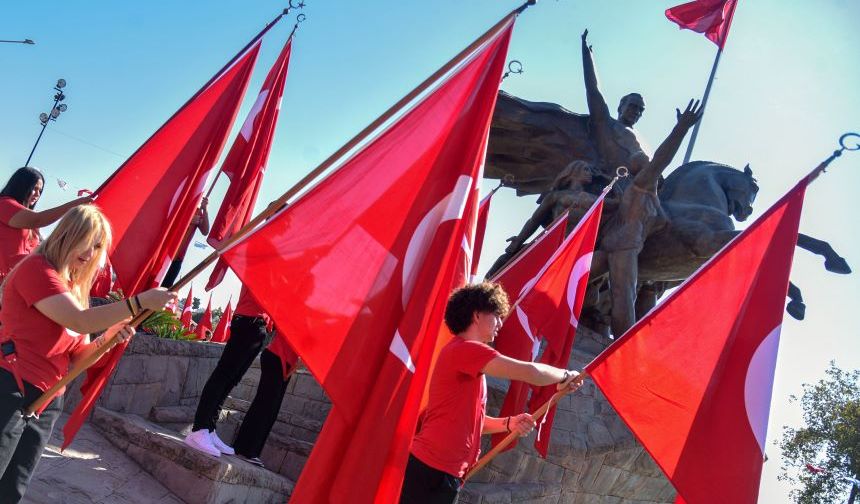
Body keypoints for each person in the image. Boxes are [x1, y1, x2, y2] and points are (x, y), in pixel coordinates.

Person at [0, 205, 175, 502]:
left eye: (98, 246)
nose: (92, 252)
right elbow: (78, 321)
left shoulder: (74, 289)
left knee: (12, 490)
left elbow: (77, 357)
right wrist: (138, 303)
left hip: (46, 401)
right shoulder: (37, 270)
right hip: (10, 390)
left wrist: (105, 339)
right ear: (69, 234)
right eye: (88, 241)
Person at [400, 282, 584, 504]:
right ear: (477, 316)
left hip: (443, 474)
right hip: (430, 472)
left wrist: (509, 424)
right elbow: (529, 371)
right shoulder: (465, 350)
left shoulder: (468, 358)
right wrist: (565, 375)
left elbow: (472, 421)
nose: (500, 323)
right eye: (496, 315)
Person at [595, 99, 703, 336]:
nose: (649, 163)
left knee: (606, 283)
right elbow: (661, 160)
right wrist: (681, 129)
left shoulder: (653, 199)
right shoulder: (642, 184)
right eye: (643, 161)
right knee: (624, 294)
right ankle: (622, 350)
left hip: (622, 245)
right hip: (623, 245)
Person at [185, 286, 296, 467]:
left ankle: (210, 428)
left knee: (230, 381)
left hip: (258, 323)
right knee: (222, 377)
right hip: (249, 320)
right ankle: (199, 429)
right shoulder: (266, 261)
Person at [0, 167, 92, 282]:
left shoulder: (28, 219)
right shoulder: (4, 204)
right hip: (6, 281)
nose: (37, 194)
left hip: (22, 276)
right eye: (34, 188)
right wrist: (76, 204)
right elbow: (39, 219)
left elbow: (37, 249)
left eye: (40, 190)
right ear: (21, 186)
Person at [580, 29, 651, 178]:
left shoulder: (642, 141)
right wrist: (587, 55)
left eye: (641, 110)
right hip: (610, 183)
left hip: (638, 189)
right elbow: (593, 90)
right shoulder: (606, 123)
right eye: (633, 106)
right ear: (620, 107)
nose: (637, 112)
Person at [161, 198, 209, 288]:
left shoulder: (197, 211)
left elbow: (205, 231)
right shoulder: (179, 204)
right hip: (164, 255)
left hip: (177, 259)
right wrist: (187, 220)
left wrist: (205, 209)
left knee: (164, 289)